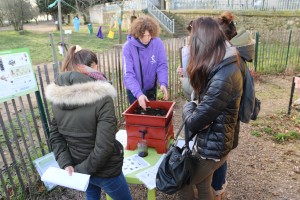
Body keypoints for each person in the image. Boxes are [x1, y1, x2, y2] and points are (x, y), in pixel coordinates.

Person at [45, 45, 132, 200]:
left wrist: (68, 164)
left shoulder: (58, 99)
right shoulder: (102, 98)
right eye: (95, 66)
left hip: (79, 164)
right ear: (92, 67)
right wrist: (82, 169)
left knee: (91, 193)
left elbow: (55, 136)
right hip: (105, 170)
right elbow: (104, 147)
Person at [178, 17, 244, 199]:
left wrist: (188, 106)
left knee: (182, 181)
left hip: (214, 147)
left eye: (192, 40)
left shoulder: (224, 75)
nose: (190, 45)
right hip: (214, 141)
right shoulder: (221, 64)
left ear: (203, 41)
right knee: (203, 184)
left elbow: (193, 122)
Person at [122, 16, 169, 110]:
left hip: (151, 87)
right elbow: (128, 74)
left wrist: (163, 83)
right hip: (134, 90)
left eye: (149, 35)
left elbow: (162, 65)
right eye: (143, 35)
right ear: (137, 33)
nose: (146, 39)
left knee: (151, 116)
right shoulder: (128, 47)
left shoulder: (157, 43)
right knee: (138, 117)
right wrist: (138, 94)